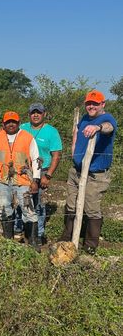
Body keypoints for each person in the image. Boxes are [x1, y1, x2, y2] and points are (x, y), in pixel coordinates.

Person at [60, 90, 117, 253]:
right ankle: (67, 238)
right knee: (71, 205)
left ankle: (90, 245)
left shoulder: (106, 119)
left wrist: (97, 127)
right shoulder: (85, 118)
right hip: (76, 171)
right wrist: (74, 148)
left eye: (95, 103)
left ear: (102, 104)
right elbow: (77, 133)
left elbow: (108, 128)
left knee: (91, 208)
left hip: (95, 174)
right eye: (88, 103)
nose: (91, 106)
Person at [0, 111, 41, 248]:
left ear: (19, 123)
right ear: (3, 124)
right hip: (3, 182)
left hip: (23, 181)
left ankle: (33, 243)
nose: (11, 124)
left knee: (28, 211)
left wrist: (35, 180)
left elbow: (36, 160)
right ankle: (8, 242)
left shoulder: (28, 137)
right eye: (8, 122)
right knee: (4, 209)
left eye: (14, 122)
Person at [20, 102, 62, 244]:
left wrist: (48, 175)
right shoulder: (22, 128)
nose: (36, 115)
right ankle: (20, 231)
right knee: (21, 201)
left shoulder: (51, 131)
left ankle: (38, 234)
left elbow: (56, 155)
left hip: (42, 171)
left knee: (38, 204)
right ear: (29, 115)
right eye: (33, 112)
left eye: (39, 112)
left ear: (44, 114)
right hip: (24, 171)